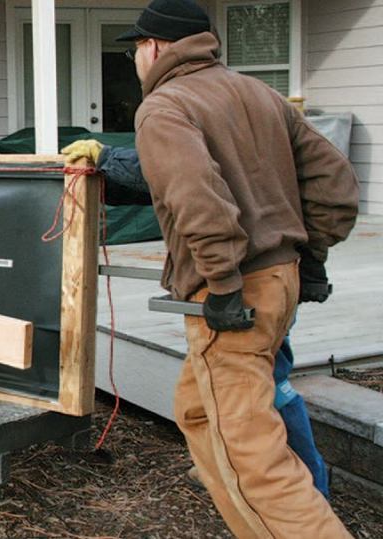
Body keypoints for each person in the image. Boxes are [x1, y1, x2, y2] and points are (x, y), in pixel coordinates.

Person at [113, 0, 360, 536]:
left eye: (136, 48)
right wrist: (312, 256)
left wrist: (223, 284)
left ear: (154, 48)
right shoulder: (259, 93)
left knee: (253, 456)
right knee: (199, 412)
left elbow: (197, 200)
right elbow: (335, 184)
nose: (136, 58)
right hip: (280, 281)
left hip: (235, 293)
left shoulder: (164, 108)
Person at [61, 138, 331, 499]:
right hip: (272, 271)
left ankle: (310, 484)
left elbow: (181, 172)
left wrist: (111, 158)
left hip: (246, 278)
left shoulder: (212, 111)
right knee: (216, 387)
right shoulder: (257, 118)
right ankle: (222, 466)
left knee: (264, 384)